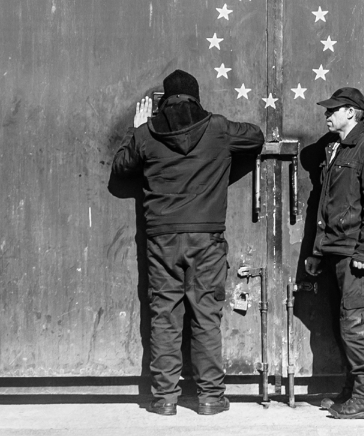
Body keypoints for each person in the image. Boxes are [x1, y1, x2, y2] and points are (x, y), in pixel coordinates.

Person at [112, 70, 263, 416]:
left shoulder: (147, 133)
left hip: (162, 239)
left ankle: (165, 399)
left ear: (163, 101)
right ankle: (210, 397)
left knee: (165, 317)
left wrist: (137, 129)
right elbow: (256, 137)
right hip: (206, 240)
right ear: (196, 97)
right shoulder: (218, 128)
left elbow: (121, 167)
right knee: (205, 317)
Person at [305, 86, 364, 420]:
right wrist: (318, 251)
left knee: (358, 323)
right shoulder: (338, 149)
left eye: (333, 110)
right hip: (337, 252)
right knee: (345, 323)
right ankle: (354, 390)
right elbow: (327, 207)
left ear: (351, 113)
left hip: (356, 254)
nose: (327, 115)